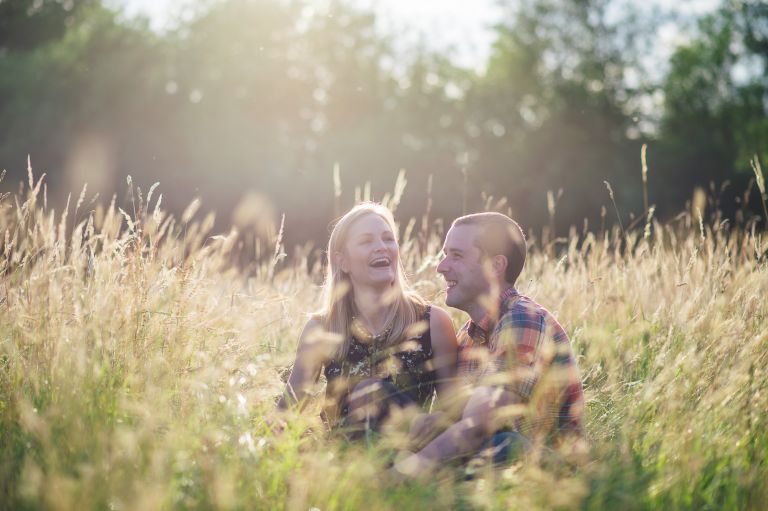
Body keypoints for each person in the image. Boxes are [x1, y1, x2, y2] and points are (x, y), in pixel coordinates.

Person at [396, 212, 584, 476]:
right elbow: (458, 421)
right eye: (444, 254)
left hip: (549, 482)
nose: (441, 266)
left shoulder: (523, 319)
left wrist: (403, 474)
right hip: (489, 474)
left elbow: (480, 425)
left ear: (496, 266)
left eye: (457, 256)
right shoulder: (467, 337)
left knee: (502, 445)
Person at [277, 203, 458, 436]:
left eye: (388, 239)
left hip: (411, 458)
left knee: (370, 391)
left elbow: (452, 413)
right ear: (343, 261)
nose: (381, 247)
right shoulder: (322, 329)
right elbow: (285, 416)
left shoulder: (432, 322)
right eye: (366, 241)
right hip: (345, 463)